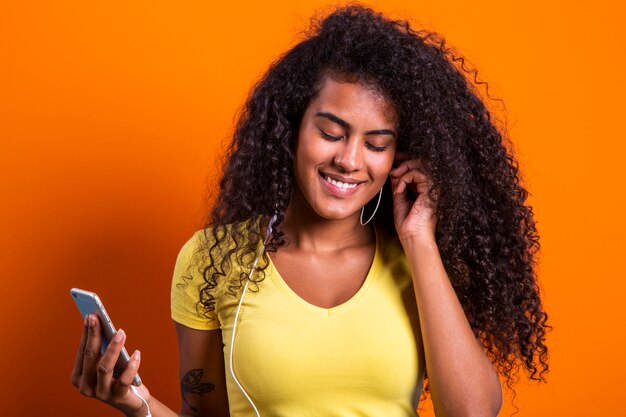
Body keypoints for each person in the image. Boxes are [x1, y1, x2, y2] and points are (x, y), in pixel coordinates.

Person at [70, 5, 549, 417]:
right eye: (332, 133)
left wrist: (420, 239)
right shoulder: (213, 259)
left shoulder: (422, 263)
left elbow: (472, 412)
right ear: (290, 130)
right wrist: (137, 404)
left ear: (399, 156)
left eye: (377, 144)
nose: (350, 160)